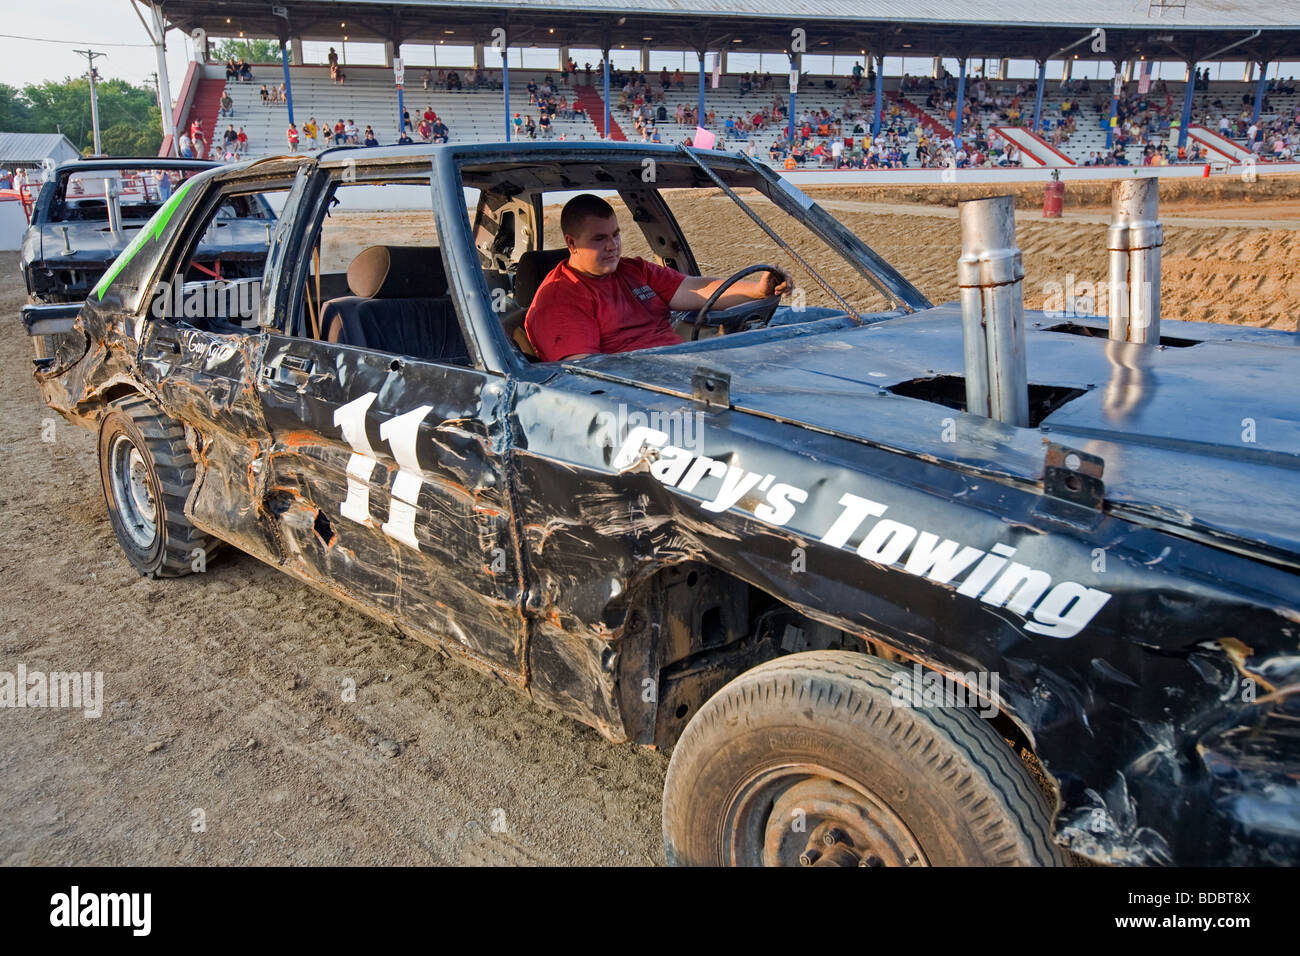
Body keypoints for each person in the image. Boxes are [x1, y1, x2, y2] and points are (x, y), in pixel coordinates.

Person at [523, 194, 789, 362]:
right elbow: (585, 376)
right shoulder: (560, 299)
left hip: (683, 369)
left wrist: (758, 289)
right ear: (572, 243)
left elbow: (695, 288)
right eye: (600, 239)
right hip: (645, 395)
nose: (612, 245)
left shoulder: (634, 270)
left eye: (616, 234)